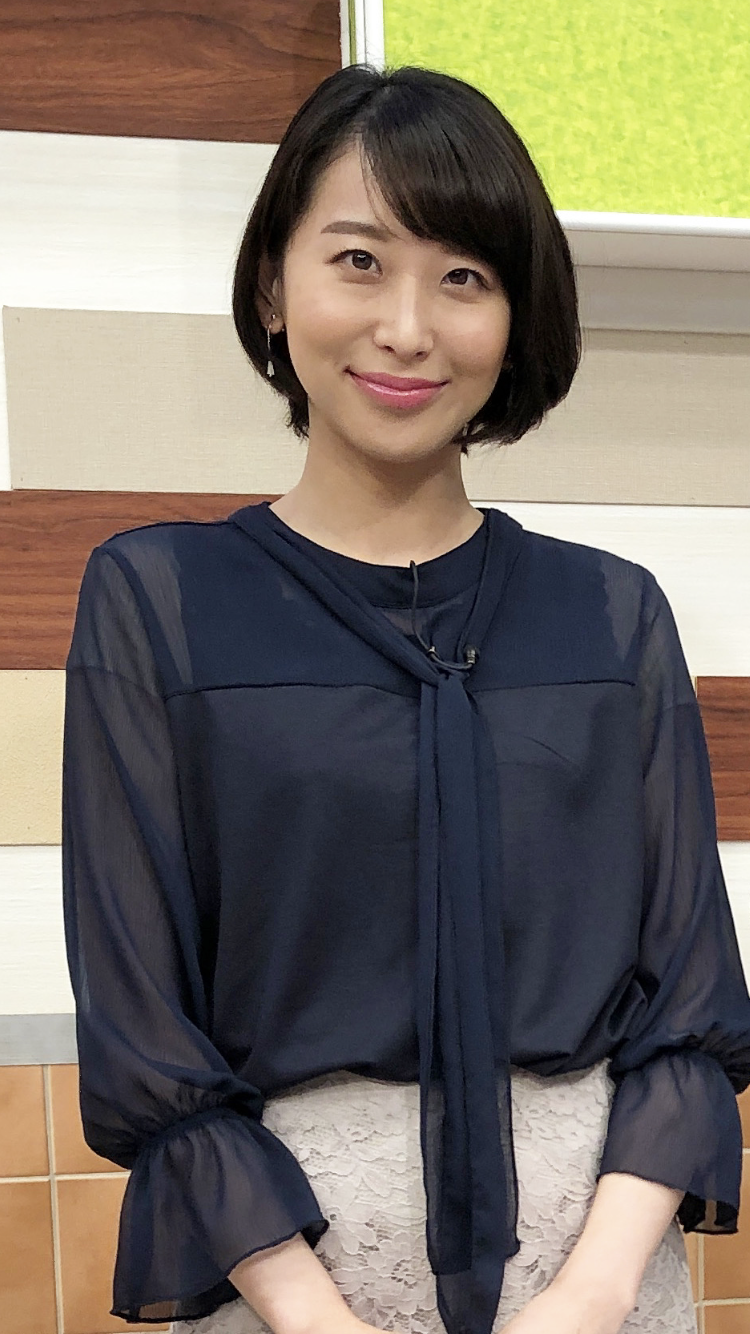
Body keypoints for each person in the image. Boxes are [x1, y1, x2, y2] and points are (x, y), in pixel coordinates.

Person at [61, 62, 750, 1334]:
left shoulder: (614, 613)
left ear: (516, 315)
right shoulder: (159, 598)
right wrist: (311, 1313)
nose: (409, 327)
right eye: (360, 262)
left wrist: (595, 1292)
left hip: (596, 1277)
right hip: (289, 1280)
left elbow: (690, 1003)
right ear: (274, 287)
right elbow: (143, 1021)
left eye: (465, 277)